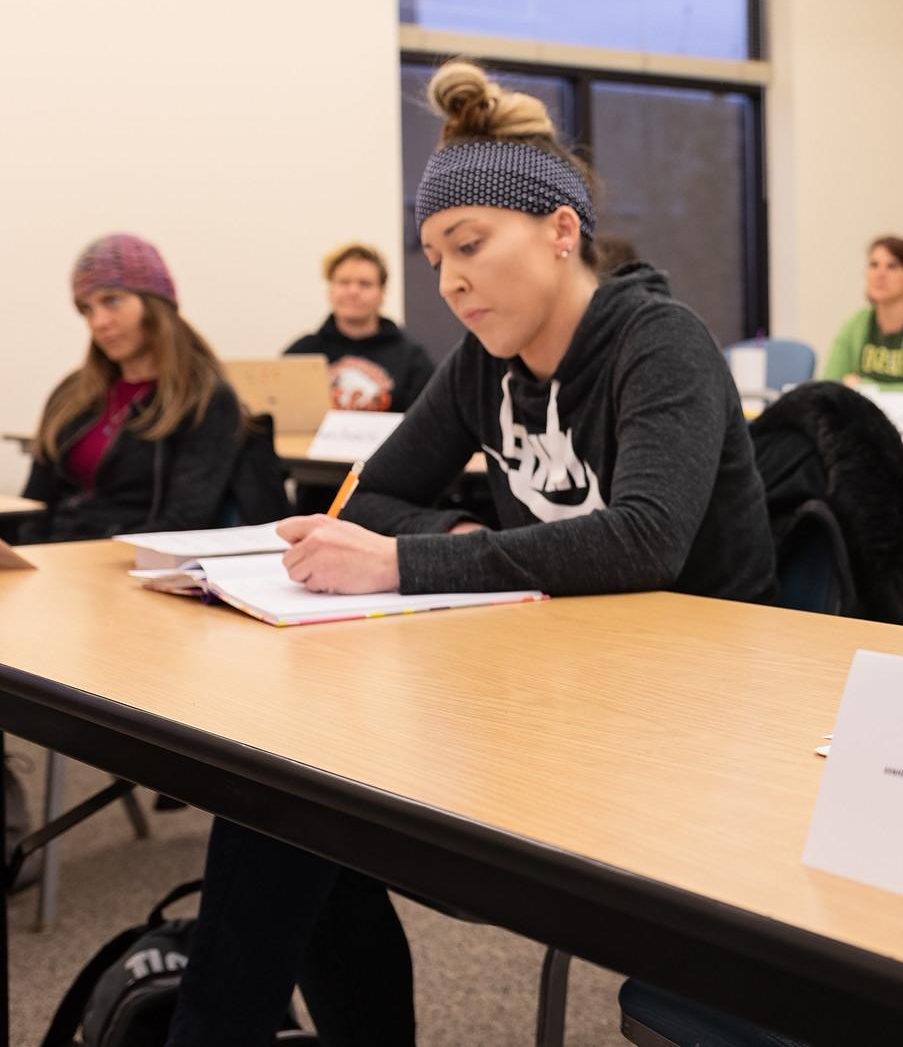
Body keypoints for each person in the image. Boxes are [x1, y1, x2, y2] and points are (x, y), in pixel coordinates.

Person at [167, 60, 776, 1047]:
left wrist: (407, 563)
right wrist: (454, 538)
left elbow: (645, 542)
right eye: (434, 254)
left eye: (470, 245)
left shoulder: (659, 343)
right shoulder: (482, 365)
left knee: (302, 807)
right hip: (543, 681)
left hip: (690, 710)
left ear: (559, 231)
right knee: (283, 793)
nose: (448, 280)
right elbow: (386, 494)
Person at [21, 234, 245, 541]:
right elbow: (34, 506)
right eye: (87, 309)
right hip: (58, 561)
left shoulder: (203, 398)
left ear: (154, 305)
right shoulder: (72, 393)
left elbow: (183, 522)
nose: (99, 322)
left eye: (112, 301)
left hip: (128, 566)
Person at [284, 243, 435, 412]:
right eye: (344, 282)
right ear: (330, 291)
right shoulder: (300, 355)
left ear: (382, 294)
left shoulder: (412, 360)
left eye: (365, 284)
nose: (353, 291)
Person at [820, 236, 903, 390]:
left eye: (892, 266)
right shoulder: (856, 323)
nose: (880, 274)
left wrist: (863, 387)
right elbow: (829, 384)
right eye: (874, 265)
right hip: (862, 413)